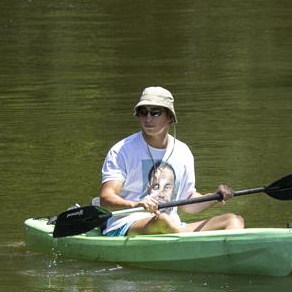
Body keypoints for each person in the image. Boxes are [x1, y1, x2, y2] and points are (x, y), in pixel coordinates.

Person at [99, 86, 243, 236]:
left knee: (233, 220)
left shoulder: (183, 151)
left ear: (170, 117)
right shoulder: (122, 150)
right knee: (163, 221)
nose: (148, 118)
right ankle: (191, 245)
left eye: (155, 112)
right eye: (143, 112)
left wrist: (216, 196)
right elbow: (106, 197)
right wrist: (136, 204)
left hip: (173, 226)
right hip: (126, 224)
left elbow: (188, 203)